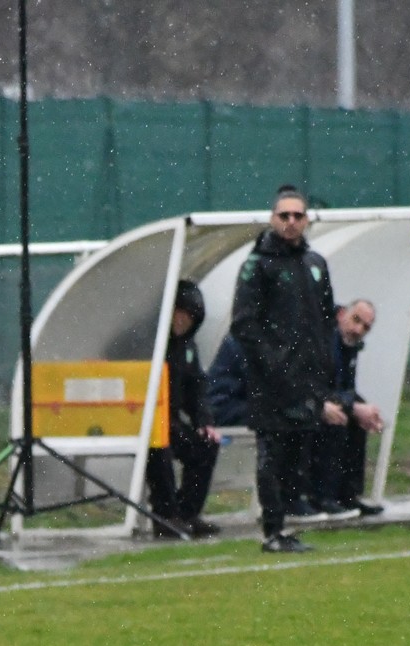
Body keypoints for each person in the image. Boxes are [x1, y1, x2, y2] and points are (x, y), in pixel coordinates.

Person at [230, 185, 342, 553]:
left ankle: (287, 525)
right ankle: (272, 530)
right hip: (271, 383)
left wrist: (323, 368)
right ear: (272, 219)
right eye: (284, 215)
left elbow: (325, 320)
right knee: (272, 454)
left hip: (307, 380)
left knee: (297, 455)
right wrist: (273, 362)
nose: (291, 222)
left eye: (297, 215)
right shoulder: (258, 265)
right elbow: (243, 324)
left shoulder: (315, 264)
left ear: (307, 220)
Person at [144, 279, 221, 538]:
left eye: (189, 316)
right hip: (143, 420)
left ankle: (188, 513)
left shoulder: (188, 347)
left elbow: (196, 388)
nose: (182, 320)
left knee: (206, 445)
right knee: (160, 449)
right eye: (179, 313)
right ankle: (165, 515)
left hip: (170, 420)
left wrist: (204, 422)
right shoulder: (146, 340)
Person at [313, 299, 385, 519]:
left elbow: (346, 388)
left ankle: (348, 495)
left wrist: (364, 410)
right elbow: (320, 387)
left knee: (358, 420)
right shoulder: (324, 340)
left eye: (365, 327)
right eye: (356, 320)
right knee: (337, 417)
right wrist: (352, 406)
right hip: (310, 403)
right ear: (342, 314)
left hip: (323, 400)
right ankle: (323, 496)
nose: (358, 329)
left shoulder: (349, 346)